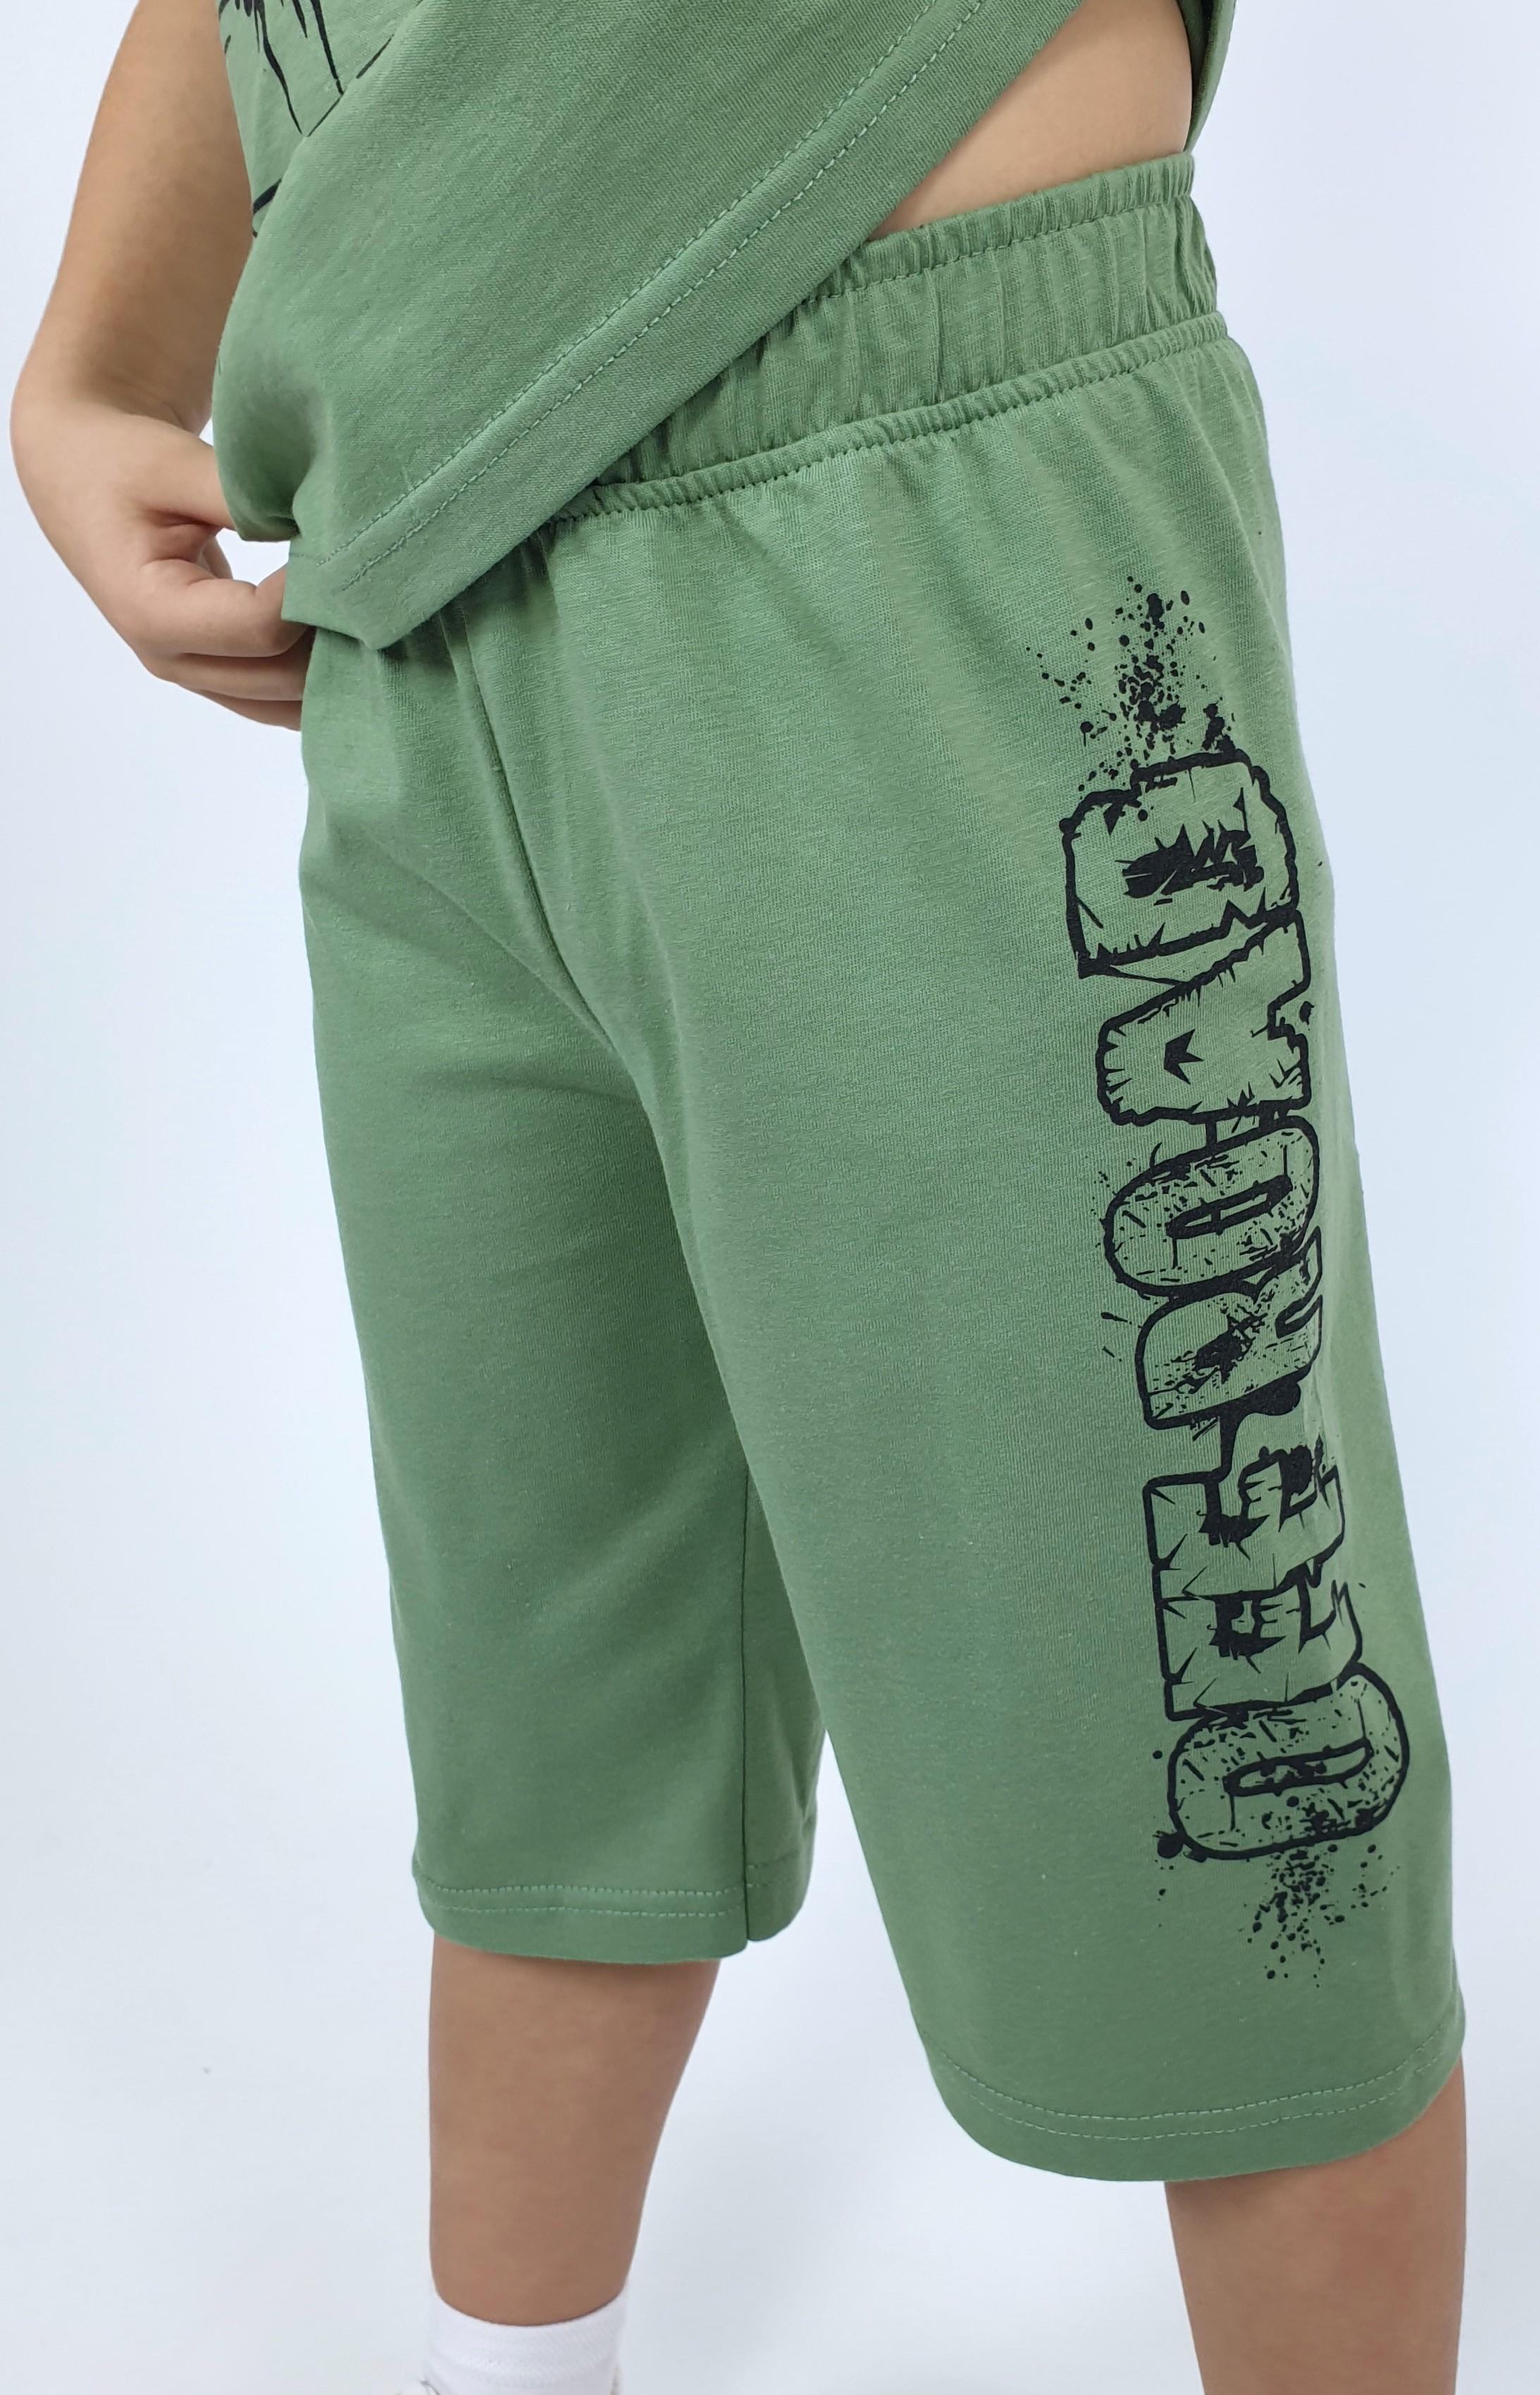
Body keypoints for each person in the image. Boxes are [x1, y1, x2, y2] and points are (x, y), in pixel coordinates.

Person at [11, 2, 1466, 2389]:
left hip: (940, 515)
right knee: (556, 1719)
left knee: (1237, 1796)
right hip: (415, 585)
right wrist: (90, 369)